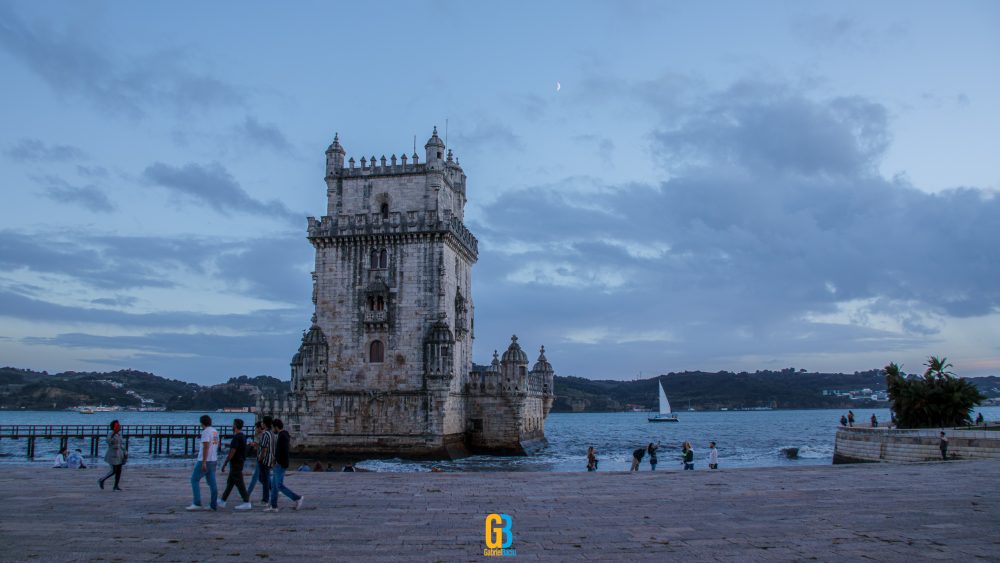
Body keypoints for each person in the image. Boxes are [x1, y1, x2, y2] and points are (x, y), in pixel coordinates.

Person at [267, 418, 304, 512]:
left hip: (280, 464)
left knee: (278, 485)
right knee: (274, 485)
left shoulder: (282, 436)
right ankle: (274, 506)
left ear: (276, 427)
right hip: (280, 463)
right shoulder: (284, 434)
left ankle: (297, 498)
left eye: (272, 427)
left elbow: (281, 452)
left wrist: (276, 461)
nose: (272, 429)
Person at [187, 414, 220, 511]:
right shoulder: (215, 432)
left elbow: (206, 446)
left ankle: (197, 502)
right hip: (213, 459)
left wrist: (204, 462)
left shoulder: (206, 432)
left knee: (194, 480)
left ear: (202, 423)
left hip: (204, 460)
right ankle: (213, 505)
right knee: (212, 483)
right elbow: (215, 445)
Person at [219, 418, 252, 511]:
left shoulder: (236, 437)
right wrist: (229, 446)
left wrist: (225, 463)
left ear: (236, 426)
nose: (232, 426)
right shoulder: (242, 436)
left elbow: (233, 451)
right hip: (240, 461)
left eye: (233, 424)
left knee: (239, 483)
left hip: (236, 463)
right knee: (230, 482)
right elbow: (241, 448)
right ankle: (222, 501)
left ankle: (246, 502)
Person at [98, 420, 125, 491]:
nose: (119, 427)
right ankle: (102, 480)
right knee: (114, 470)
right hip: (112, 453)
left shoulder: (119, 434)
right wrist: (114, 433)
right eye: (117, 426)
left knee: (119, 470)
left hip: (119, 453)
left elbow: (122, 444)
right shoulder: (110, 433)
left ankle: (116, 486)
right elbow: (108, 441)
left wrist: (125, 453)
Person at [256, 416, 276, 506]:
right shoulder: (272, 434)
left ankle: (265, 500)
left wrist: (260, 459)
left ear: (264, 423)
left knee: (264, 479)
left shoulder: (266, 434)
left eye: (262, 423)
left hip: (265, 460)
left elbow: (264, 449)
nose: (261, 424)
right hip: (270, 459)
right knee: (264, 478)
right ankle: (273, 491)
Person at [245, 421, 264, 501]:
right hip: (260, 458)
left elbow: (263, 447)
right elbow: (257, 447)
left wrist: (254, 445)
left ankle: (247, 494)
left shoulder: (263, 435)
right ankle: (274, 488)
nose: (255, 429)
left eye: (256, 427)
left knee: (255, 477)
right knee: (262, 478)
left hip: (262, 458)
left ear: (260, 428)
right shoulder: (258, 435)